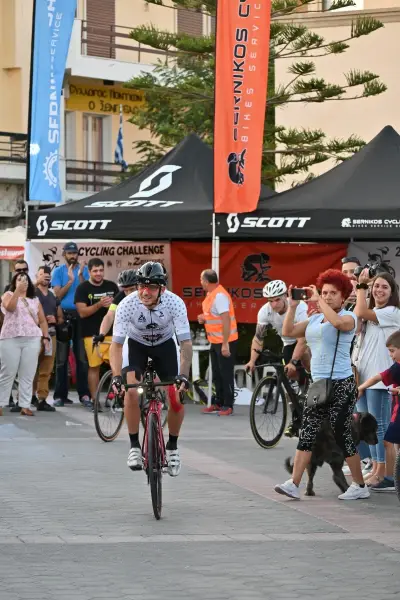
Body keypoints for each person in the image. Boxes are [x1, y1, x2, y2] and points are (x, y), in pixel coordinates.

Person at [275, 269, 367, 501]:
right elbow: (288, 331)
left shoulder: (349, 316)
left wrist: (318, 301)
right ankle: (293, 483)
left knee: (341, 434)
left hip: (341, 384)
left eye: (332, 293)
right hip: (318, 385)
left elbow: (338, 323)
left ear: (343, 296)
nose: (327, 296)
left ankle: (359, 485)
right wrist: (293, 307)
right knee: (307, 433)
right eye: (324, 292)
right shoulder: (315, 319)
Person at [110, 261, 192, 476]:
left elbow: (185, 343)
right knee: (131, 391)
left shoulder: (175, 303)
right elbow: (116, 345)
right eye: (141, 286)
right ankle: (134, 446)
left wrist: (183, 375)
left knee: (176, 396)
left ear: (162, 289)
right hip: (136, 345)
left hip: (165, 345)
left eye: (152, 287)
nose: (145, 292)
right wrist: (117, 376)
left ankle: (172, 447)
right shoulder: (127, 305)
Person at [354, 271, 400, 488]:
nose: (379, 290)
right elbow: (357, 322)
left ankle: (384, 473)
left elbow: (361, 310)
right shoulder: (372, 312)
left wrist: (361, 286)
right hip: (366, 376)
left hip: (382, 379)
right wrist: (362, 293)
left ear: (392, 292)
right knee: (367, 426)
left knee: (379, 426)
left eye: (384, 287)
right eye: (376, 286)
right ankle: (375, 468)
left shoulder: (393, 311)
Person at [245, 279, 309, 434]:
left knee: (305, 356)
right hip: (288, 342)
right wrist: (252, 361)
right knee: (288, 381)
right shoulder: (265, 311)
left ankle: (311, 381)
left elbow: (303, 340)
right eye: (270, 301)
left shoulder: (300, 307)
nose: (274, 305)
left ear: (285, 296)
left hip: (306, 340)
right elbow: (258, 338)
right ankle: (296, 420)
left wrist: (294, 361)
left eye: (277, 300)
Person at [0, 272, 50, 416]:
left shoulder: (34, 300)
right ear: (14, 282)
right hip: (10, 338)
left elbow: (42, 321)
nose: (23, 282)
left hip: (32, 338)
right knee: (7, 372)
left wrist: (45, 337)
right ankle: (1, 403)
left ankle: (25, 405)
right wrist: (17, 291)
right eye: (19, 279)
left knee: (28, 373)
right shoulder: (8, 295)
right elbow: (10, 307)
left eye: (26, 280)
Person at [357, 329, 400, 492]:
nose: (390, 355)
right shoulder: (396, 367)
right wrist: (361, 387)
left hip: (398, 412)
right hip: (397, 410)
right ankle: (392, 477)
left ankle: (390, 478)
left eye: (392, 351)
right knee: (393, 443)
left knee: (388, 441)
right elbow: (378, 377)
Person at [75, 258, 119, 408]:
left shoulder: (112, 286)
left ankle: (115, 397)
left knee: (116, 367)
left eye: (101, 270)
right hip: (91, 334)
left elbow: (121, 307)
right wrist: (99, 304)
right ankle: (95, 400)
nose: (98, 273)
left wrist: (113, 305)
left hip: (112, 332)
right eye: (95, 271)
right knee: (94, 367)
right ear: (89, 272)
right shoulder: (82, 288)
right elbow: (82, 312)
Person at [51, 241, 90, 407]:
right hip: (63, 317)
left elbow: (87, 292)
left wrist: (80, 277)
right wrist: (70, 281)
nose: (72, 256)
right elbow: (57, 296)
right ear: (64, 254)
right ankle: (60, 396)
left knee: (82, 358)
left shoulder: (84, 270)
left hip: (81, 316)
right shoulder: (58, 271)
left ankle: (84, 395)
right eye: (69, 253)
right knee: (61, 359)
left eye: (74, 253)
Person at [198, 269, 238, 416]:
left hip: (225, 341)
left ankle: (228, 405)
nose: (200, 282)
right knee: (216, 373)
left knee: (225, 374)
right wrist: (204, 318)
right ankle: (219, 402)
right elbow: (215, 316)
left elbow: (226, 320)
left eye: (201, 280)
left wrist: (225, 344)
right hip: (215, 341)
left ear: (206, 281)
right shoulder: (211, 295)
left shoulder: (219, 296)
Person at [33, 266, 64, 412]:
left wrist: (55, 320)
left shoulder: (53, 296)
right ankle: (26, 398)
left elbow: (60, 317)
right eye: (42, 274)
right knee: (30, 368)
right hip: (34, 335)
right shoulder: (32, 293)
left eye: (47, 274)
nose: (46, 276)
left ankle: (42, 399)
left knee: (46, 369)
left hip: (51, 335)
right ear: (37, 276)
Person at [95, 269, 138, 370]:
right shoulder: (120, 297)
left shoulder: (148, 295)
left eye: (132, 289)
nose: (128, 293)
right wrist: (102, 334)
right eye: (126, 290)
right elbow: (109, 316)